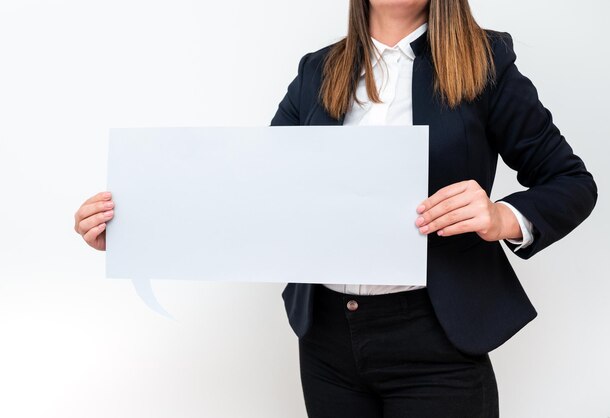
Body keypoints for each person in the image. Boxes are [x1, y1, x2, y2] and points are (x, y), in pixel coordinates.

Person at [74, 0, 598, 416]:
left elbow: (571, 182)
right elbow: (253, 193)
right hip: (327, 342)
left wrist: (502, 217)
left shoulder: (486, 64)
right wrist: (134, 228)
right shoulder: (317, 70)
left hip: (437, 340)